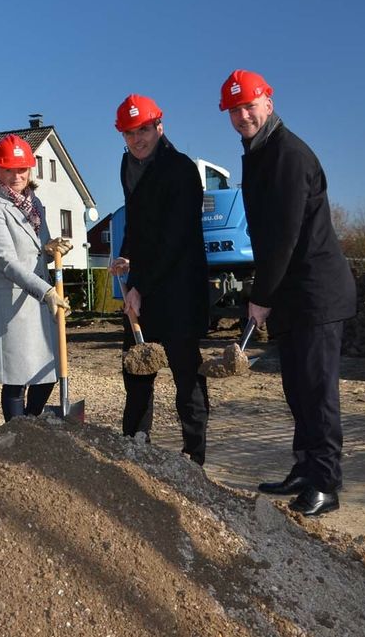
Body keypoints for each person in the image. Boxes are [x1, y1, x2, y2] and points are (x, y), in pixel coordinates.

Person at [219, 69, 356, 517]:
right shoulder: (259, 152)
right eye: (234, 110)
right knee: (297, 389)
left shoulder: (288, 155)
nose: (242, 116)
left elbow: (284, 237)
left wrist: (260, 296)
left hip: (316, 293)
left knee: (317, 393)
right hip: (294, 295)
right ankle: (305, 468)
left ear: (268, 103)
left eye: (249, 106)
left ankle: (325, 484)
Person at [108, 94, 211, 464]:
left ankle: (194, 455)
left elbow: (175, 239)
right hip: (144, 284)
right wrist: (126, 256)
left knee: (187, 373)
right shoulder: (128, 166)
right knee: (137, 367)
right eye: (130, 133)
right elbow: (136, 223)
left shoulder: (180, 170)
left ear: (160, 127)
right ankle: (136, 447)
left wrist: (141, 287)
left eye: (144, 130)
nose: (138, 139)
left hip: (179, 287)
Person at [0, 134, 72, 420]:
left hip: (39, 303)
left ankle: (30, 423)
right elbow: (6, 261)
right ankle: (17, 431)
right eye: (8, 169)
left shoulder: (35, 204)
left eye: (21, 169)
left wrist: (50, 248)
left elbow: (36, 249)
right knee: (16, 379)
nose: (16, 176)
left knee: (48, 372)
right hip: (12, 304)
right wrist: (46, 291)